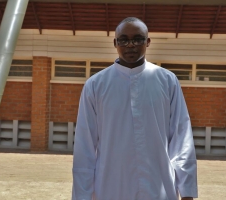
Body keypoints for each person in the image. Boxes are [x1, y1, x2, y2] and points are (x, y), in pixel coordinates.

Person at [72, 17, 198, 200]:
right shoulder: (96, 85)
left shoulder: (167, 81)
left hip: (158, 185)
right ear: (115, 43)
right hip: (110, 187)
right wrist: (81, 195)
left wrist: (187, 192)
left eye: (138, 39)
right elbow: (85, 146)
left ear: (147, 42)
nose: (130, 45)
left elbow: (181, 137)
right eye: (123, 39)